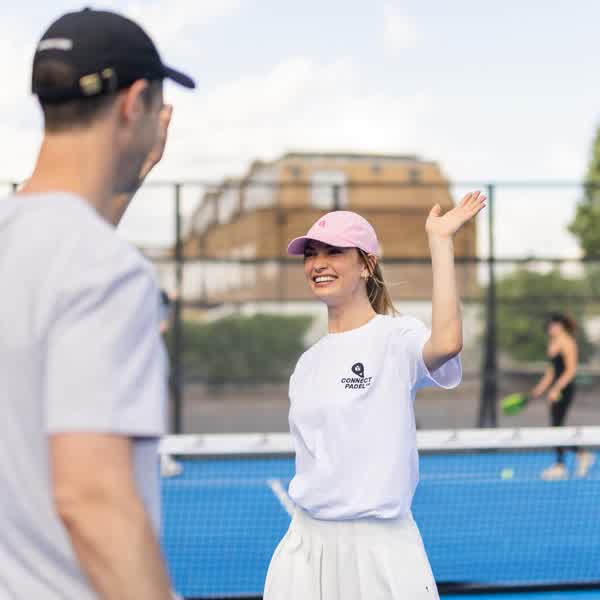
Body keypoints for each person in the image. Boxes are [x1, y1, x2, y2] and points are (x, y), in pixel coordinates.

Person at [0, 8, 194, 599]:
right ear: (134, 103)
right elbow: (93, 499)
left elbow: (61, 249)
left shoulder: (39, 244)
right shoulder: (108, 271)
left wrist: (133, 173)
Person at [263, 193, 485, 600]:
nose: (318, 263)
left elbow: (447, 343)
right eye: (311, 254)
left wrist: (440, 242)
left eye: (334, 252)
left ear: (366, 265)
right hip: (305, 547)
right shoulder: (307, 364)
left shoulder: (396, 337)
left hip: (381, 550)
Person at [531, 313, 595, 480]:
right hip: (555, 389)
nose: (550, 328)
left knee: (557, 427)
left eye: (553, 325)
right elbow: (552, 371)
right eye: (549, 325)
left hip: (565, 390)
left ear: (561, 325)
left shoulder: (568, 343)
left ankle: (563, 464)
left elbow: (570, 370)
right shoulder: (552, 343)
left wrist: (556, 389)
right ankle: (579, 456)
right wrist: (540, 388)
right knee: (556, 427)